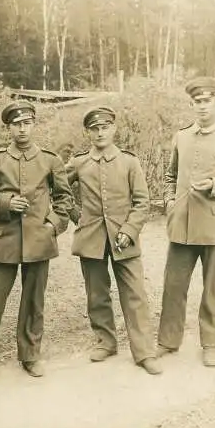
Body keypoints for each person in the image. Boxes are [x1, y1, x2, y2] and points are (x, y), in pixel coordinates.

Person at [0, 100, 76, 386]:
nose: (22, 128)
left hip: (39, 241)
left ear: (34, 125)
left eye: (27, 123)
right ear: (9, 128)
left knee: (33, 302)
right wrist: (4, 202)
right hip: (4, 241)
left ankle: (30, 356)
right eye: (16, 124)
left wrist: (53, 225)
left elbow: (64, 199)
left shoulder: (50, 159)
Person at [157, 77, 215, 367]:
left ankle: (211, 343)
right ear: (191, 104)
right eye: (197, 102)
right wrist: (170, 203)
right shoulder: (181, 136)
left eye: (207, 100)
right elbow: (170, 177)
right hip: (182, 226)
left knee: (214, 287)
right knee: (173, 286)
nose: (201, 106)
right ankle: (168, 341)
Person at [65, 106, 162, 375]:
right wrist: (78, 216)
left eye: (104, 127)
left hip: (124, 239)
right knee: (97, 293)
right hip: (91, 237)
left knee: (135, 295)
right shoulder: (79, 162)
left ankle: (144, 352)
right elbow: (58, 189)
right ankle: (105, 342)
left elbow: (142, 203)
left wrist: (129, 230)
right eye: (94, 129)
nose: (99, 133)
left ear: (114, 128)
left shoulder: (130, 162)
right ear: (88, 132)